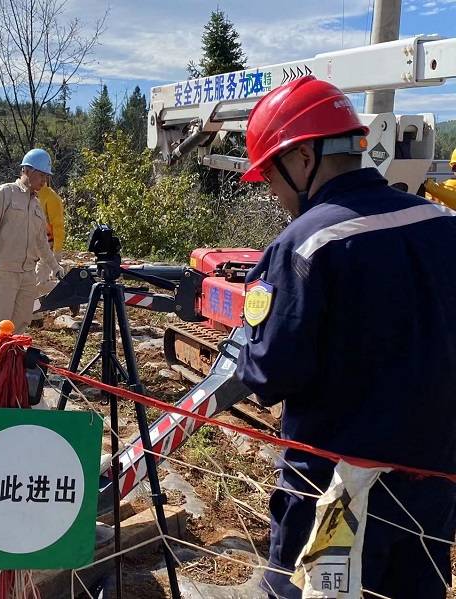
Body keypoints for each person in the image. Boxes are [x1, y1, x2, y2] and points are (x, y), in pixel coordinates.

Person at [235, 75, 456, 599]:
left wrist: (247, 345)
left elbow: (268, 373)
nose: (272, 191)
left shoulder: (305, 246)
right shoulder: (445, 225)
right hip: (433, 488)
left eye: (271, 173)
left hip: (333, 498)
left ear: (304, 158)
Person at [0, 148, 62, 343]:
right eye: (41, 175)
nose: (44, 181)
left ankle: (12, 369)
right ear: (27, 170)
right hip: (5, 272)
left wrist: (55, 266)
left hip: (27, 274)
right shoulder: (5, 193)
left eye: (46, 176)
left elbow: (42, 242)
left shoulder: (36, 205)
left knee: (21, 324)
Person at [35, 178, 65, 286]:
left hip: (46, 246)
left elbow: (58, 226)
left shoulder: (52, 198)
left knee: (40, 280)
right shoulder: (28, 196)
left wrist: (57, 250)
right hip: (31, 245)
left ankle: (40, 301)